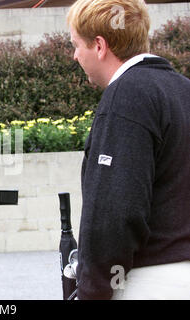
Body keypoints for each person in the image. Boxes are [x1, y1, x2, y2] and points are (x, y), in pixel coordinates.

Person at [67, 0, 190, 299]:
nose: (74, 56)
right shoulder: (183, 89)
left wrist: (91, 291)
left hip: (150, 282)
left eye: (76, 45)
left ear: (99, 45)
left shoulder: (127, 94)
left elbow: (115, 212)